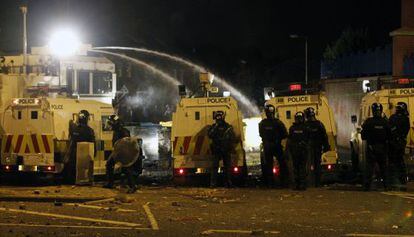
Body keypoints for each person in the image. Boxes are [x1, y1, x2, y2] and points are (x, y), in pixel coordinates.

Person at [103, 115, 138, 194]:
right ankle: (110, 183)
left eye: (111, 124)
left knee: (126, 169)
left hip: (123, 153)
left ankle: (133, 186)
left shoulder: (123, 131)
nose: (110, 126)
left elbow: (126, 144)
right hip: (117, 152)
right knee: (109, 164)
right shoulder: (117, 131)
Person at [361, 103, 391, 191]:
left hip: (371, 148)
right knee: (384, 168)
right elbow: (390, 136)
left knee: (369, 168)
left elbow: (363, 136)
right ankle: (386, 186)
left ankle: (367, 187)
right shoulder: (385, 122)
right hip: (382, 148)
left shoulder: (369, 122)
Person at [259, 104, 288, 187]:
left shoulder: (262, 123)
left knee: (268, 166)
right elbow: (285, 134)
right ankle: (283, 183)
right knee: (282, 164)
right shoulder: (278, 122)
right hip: (276, 145)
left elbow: (261, 134)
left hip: (268, 146)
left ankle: (270, 183)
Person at [66, 110, 95, 183]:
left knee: (73, 169)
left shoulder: (75, 129)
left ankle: (73, 181)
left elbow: (72, 142)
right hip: (86, 154)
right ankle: (84, 181)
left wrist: (68, 154)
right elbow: (92, 143)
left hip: (75, 153)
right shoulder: (90, 130)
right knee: (84, 170)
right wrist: (94, 154)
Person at [208, 111, 235, 188]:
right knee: (215, 167)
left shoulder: (228, 127)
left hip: (225, 150)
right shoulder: (214, 127)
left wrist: (229, 146)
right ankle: (213, 184)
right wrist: (216, 127)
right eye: (217, 117)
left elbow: (232, 137)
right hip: (217, 149)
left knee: (227, 168)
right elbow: (210, 135)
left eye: (219, 117)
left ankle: (228, 183)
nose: (218, 118)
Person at [304, 107, 330, 187]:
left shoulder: (305, 125)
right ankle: (317, 183)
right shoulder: (319, 124)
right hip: (317, 147)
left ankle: (309, 183)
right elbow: (324, 136)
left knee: (308, 165)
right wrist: (326, 147)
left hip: (309, 148)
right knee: (317, 165)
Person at [388, 102, 410, 190]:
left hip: (394, 143)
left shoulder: (394, 117)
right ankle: (402, 179)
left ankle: (392, 180)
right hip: (399, 143)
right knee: (399, 161)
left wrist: (395, 134)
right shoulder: (405, 119)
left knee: (392, 162)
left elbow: (389, 128)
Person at [287, 112, 309, 190]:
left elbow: (289, 140)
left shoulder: (292, 128)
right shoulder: (306, 127)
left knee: (297, 168)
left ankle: (298, 185)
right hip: (301, 151)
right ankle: (301, 185)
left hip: (296, 151)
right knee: (301, 168)